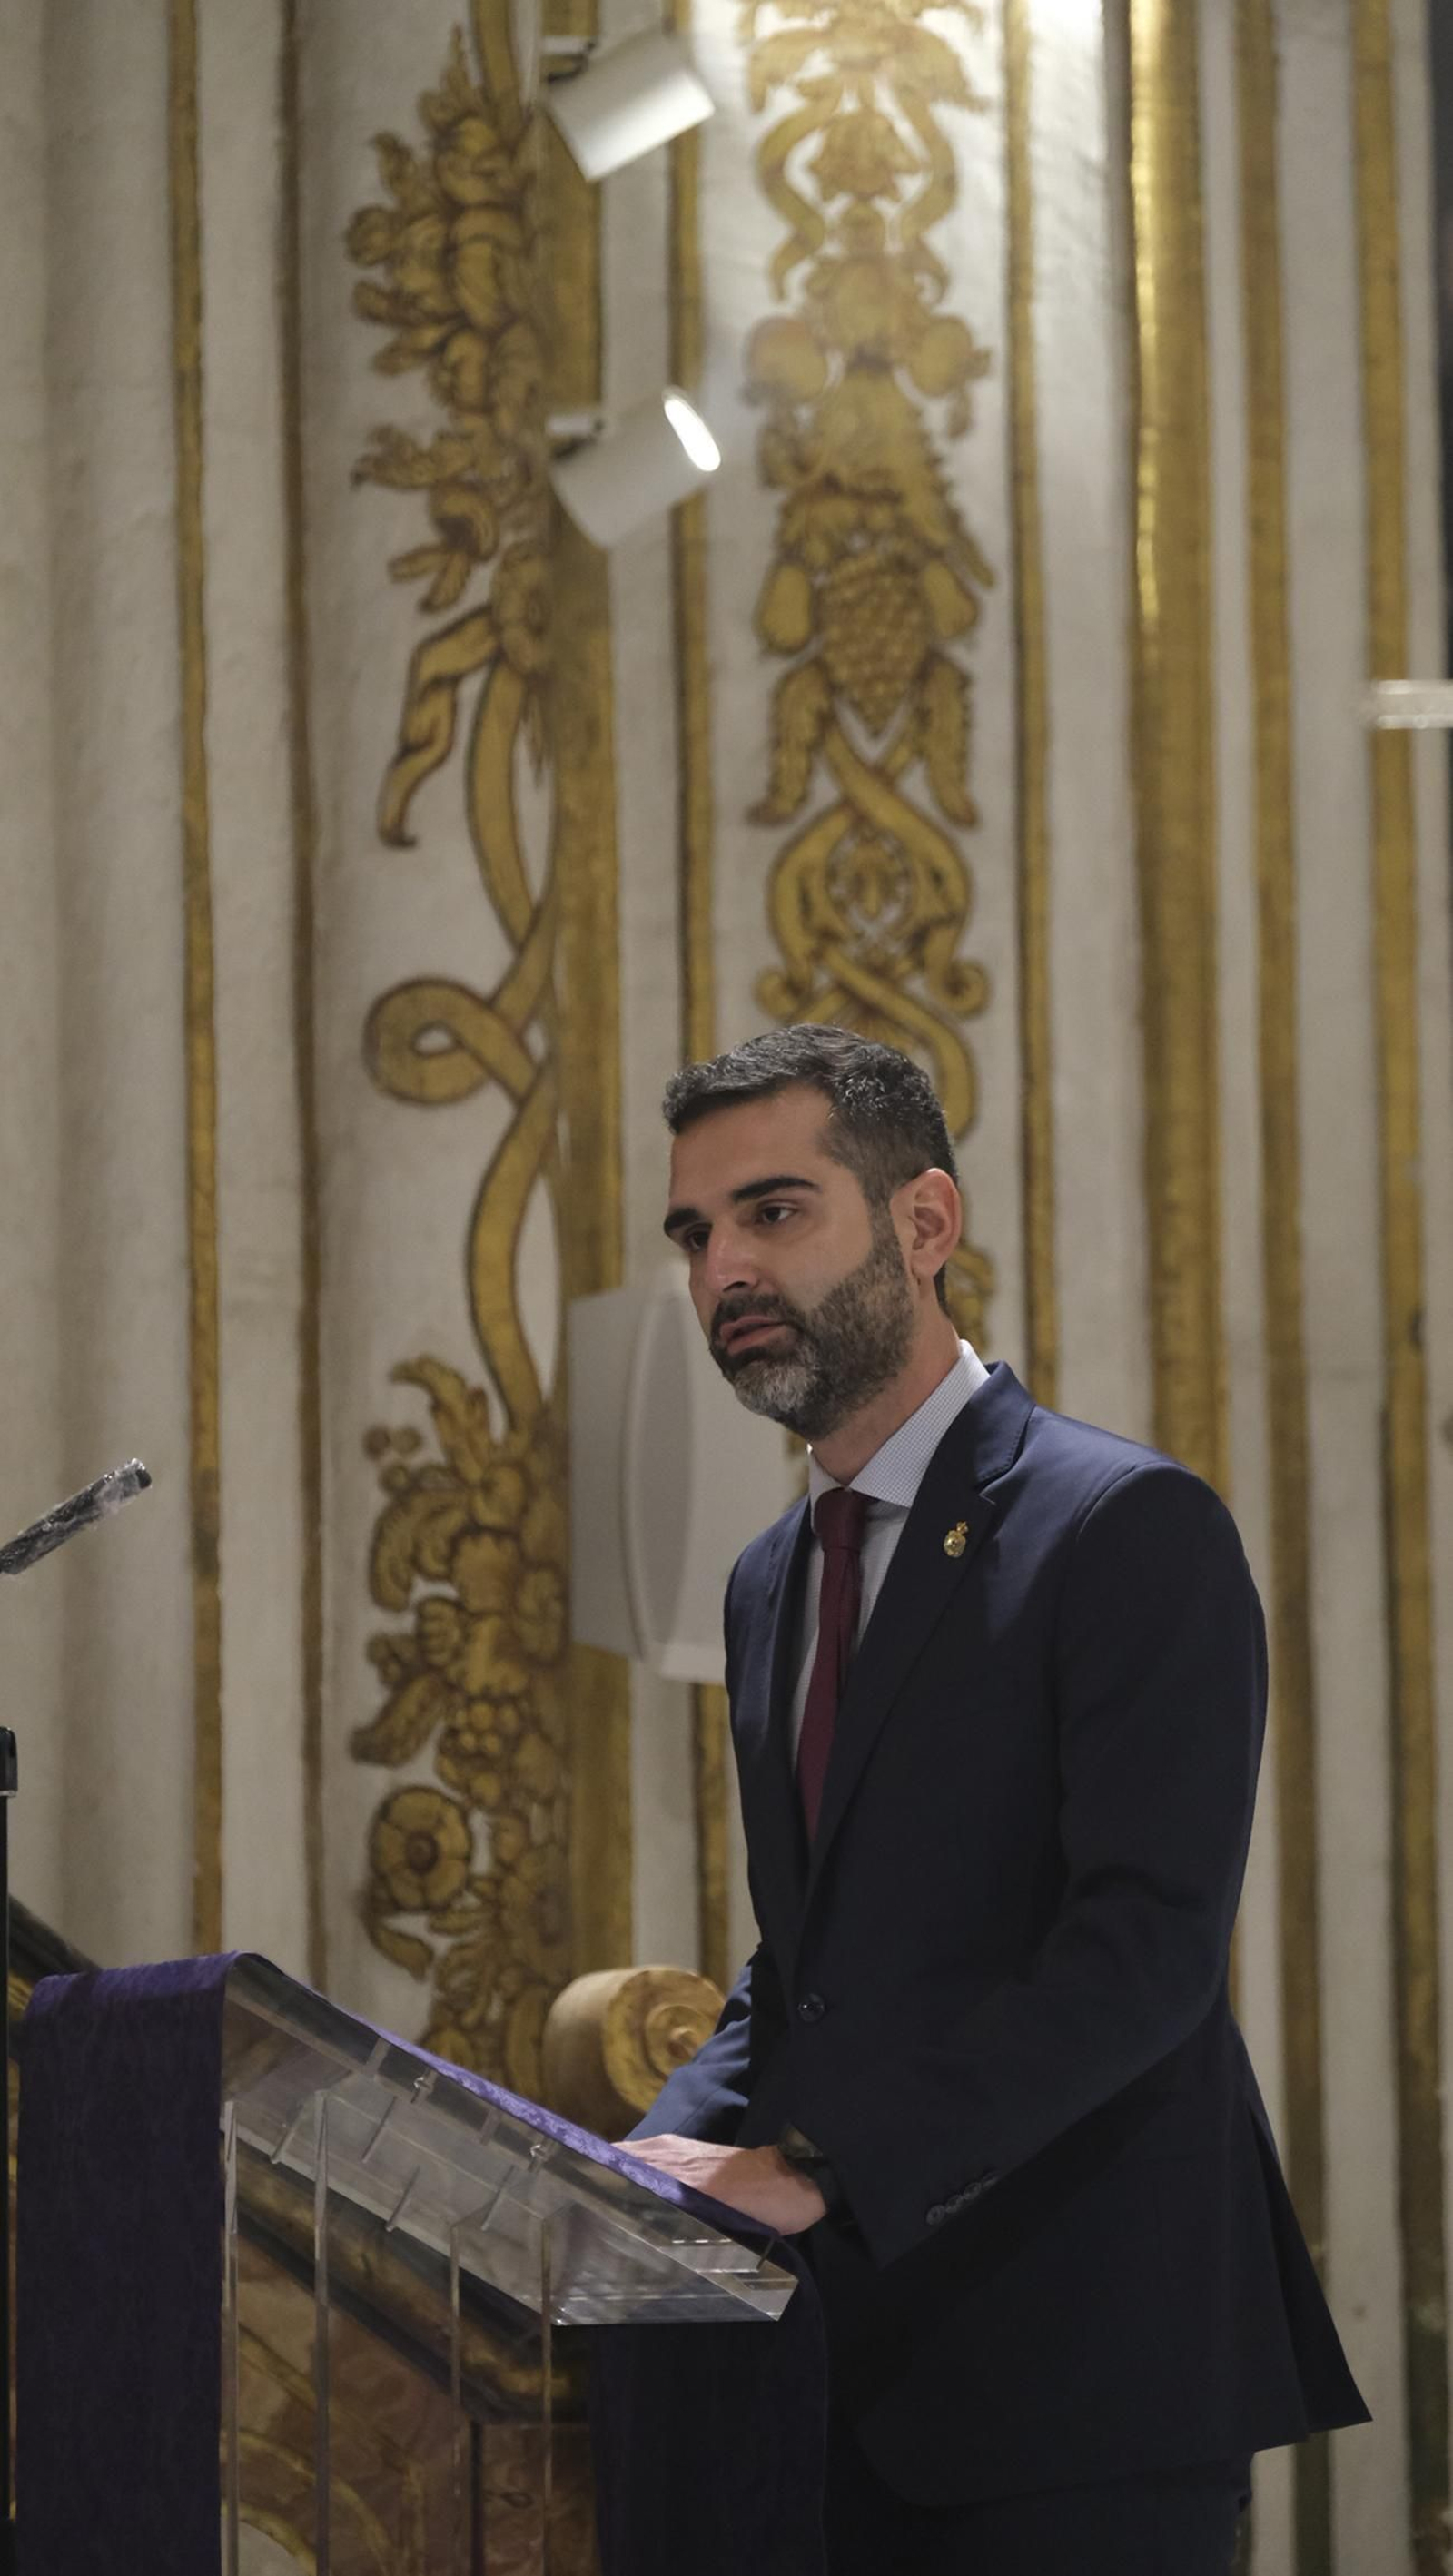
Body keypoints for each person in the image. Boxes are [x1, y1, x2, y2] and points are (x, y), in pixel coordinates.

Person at [628, 1026, 1368, 2576]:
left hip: (1086, 2386)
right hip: (841, 2385)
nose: (722, 1271)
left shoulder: (1124, 1524)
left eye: (775, 1210)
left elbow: (1142, 1956)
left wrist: (817, 2168)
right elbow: (806, 1963)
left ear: (925, 1223)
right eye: (697, 1233)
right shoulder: (770, 1579)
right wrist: (632, 2165)